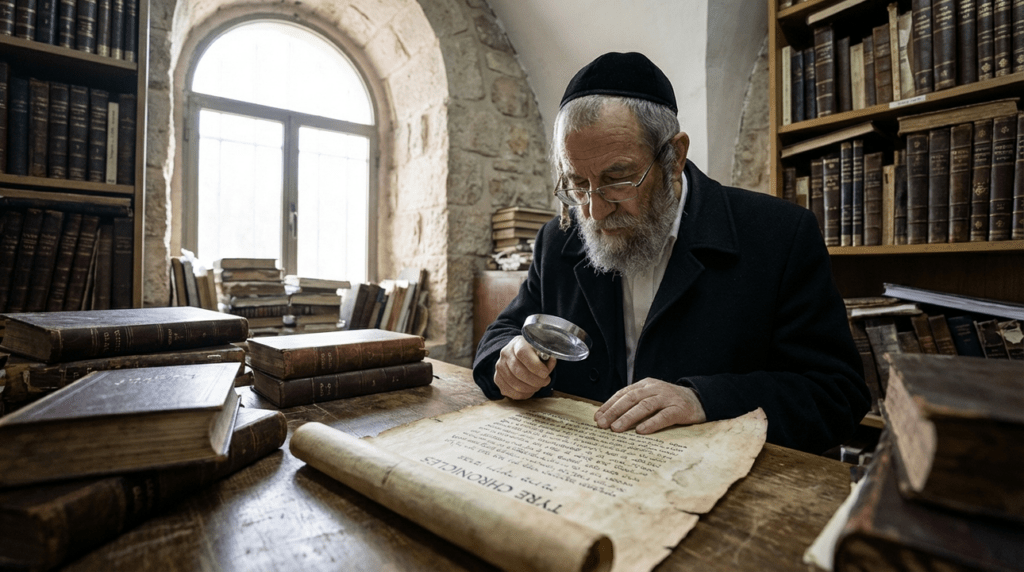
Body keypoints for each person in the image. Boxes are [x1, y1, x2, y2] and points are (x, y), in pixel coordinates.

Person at [472, 52, 870, 454]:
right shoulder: (559, 240)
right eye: (577, 183)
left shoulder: (778, 235)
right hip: (582, 478)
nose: (593, 209)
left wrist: (705, 400)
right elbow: (499, 337)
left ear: (674, 156)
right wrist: (508, 362)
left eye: (618, 179)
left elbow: (836, 394)